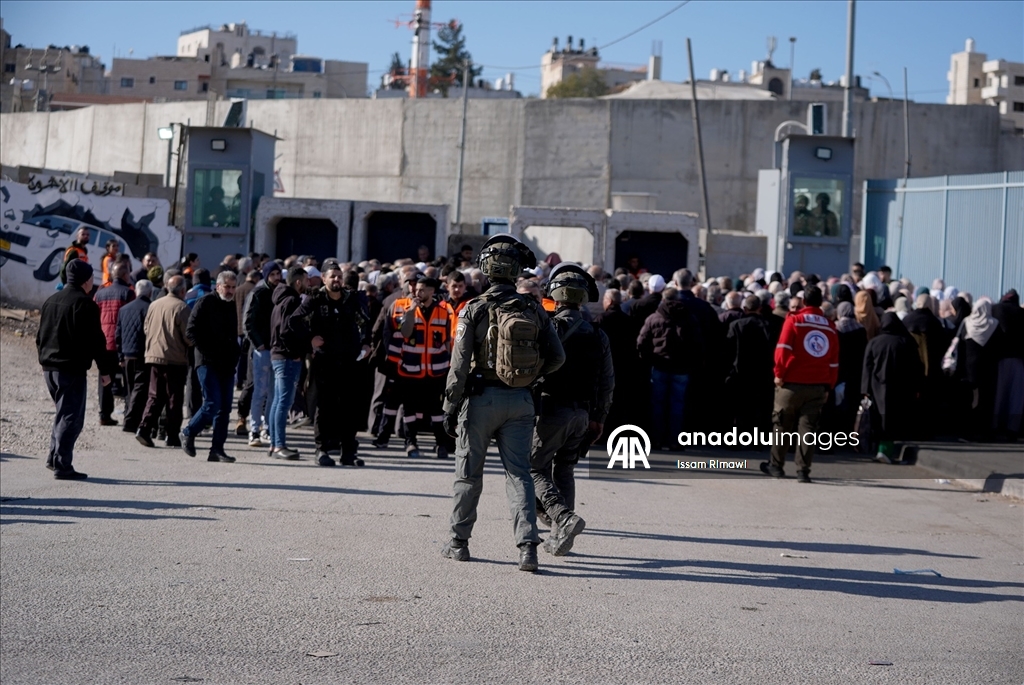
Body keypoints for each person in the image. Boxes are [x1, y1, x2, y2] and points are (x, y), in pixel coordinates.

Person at [441, 234, 565, 572]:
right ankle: (528, 548)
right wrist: (532, 378)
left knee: (468, 476)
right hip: (521, 402)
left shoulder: (474, 309)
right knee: (519, 476)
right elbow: (557, 357)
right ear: (515, 272)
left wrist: (450, 406)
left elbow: (459, 364)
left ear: (484, 270)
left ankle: (458, 542)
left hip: (480, 401)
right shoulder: (534, 308)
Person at [530, 263, 613, 556]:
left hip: (551, 410)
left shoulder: (548, 327)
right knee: (565, 468)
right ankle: (560, 536)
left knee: (534, 468)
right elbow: (606, 383)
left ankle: (563, 518)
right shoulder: (598, 335)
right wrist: (598, 419)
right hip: (582, 415)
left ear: (556, 294)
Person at [36, 259, 113, 479]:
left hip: (50, 367)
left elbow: (40, 336)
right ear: (86, 280)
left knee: (62, 413)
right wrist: (105, 370)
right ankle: (62, 465)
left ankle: (54, 458)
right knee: (71, 416)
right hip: (70, 368)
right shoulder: (85, 303)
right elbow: (96, 341)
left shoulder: (51, 300)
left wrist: (43, 360)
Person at [292, 263, 371, 466]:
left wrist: (366, 344)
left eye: (339, 276)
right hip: (325, 361)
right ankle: (322, 450)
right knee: (325, 407)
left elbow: (365, 323)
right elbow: (295, 320)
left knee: (349, 408)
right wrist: (310, 339)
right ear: (324, 279)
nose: (336, 280)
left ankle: (348, 452)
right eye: (332, 277)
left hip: (349, 359)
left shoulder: (351, 298)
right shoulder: (315, 299)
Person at [762, 286, 838, 483]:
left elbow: (783, 350)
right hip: (818, 385)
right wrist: (829, 384)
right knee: (808, 429)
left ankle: (776, 466)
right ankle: (803, 470)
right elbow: (833, 360)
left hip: (791, 384)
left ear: (804, 301)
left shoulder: (795, 320)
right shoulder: (830, 326)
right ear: (821, 302)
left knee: (781, 425)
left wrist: (779, 374)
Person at [374, 277, 457, 458]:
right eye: (415, 289)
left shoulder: (444, 311)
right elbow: (404, 333)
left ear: (431, 292)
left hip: (436, 369)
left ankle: (440, 444)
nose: (416, 293)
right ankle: (411, 443)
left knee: (437, 410)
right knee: (409, 409)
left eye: (421, 290)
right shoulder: (406, 308)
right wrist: (411, 312)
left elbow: (449, 339)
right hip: (411, 368)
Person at [180, 271, 241, 463]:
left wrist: (235, 353)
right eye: (227, 287)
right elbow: (191, 331)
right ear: (218, 286)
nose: (230, 291)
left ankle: (217, 450)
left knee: (224, 409)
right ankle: (189, 431)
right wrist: (208, 351)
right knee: (212, 403)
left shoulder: (231, 305)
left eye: (233, 287)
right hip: (207, 362)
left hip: (227, 364)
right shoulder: (205, 302)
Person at [637, 287, 704, 449]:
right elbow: (698, 344)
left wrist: (648, 359)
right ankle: (674, 440)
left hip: (659, 366)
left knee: (657, 405)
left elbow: (641, 342)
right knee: (677, 405)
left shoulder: (654, 318)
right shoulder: (689, 318)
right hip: (681, 368)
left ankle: (657, 439)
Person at [135, 275, 192, 448]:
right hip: (175, 359)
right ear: (182, 290)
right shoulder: (182, 307)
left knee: (155, 395)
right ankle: (172, 435)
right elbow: (189, 337)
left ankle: (144, 428)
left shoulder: (154, 304)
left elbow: (146, 328)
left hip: (153, 356)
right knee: (174, 398)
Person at [861, 312, 923, 463]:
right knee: (892, 422)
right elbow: (915, 368)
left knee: (879, 420)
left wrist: (865, 390)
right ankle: (885, 452)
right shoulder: (906, 342)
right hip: (900, 389)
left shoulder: (874, 342)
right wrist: (916, 387)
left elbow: (867, 368)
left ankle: (881, 451)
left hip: (876, 389)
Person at [267, 266, 308, 459]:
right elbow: (286, 330)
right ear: (298, 281)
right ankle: (279, 445)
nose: (308, 284)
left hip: (279, 355)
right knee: (284, 402)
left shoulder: (281, 299)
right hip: (286, 357)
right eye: (306, 280)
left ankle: (275, 443)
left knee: (278, 401)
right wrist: (295, 353)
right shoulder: (291, 300)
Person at [243, 261, 283, 447]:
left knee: (274, 393)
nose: (277, 277)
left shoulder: (280, 294)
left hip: (277, 350)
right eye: (273, 274)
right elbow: (248, 322)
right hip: (262, 350)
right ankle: (254, 430)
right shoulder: (258, 293)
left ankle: (267, 428)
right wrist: (259, 344)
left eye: (278, 274)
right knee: (260, 391)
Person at [725, 295, 774, 436]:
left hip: (739, 372)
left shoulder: (735, 325)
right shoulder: (767, 326)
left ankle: (735, 440)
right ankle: (756, 440)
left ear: (745, 308)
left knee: (738, 407)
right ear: (759, 309)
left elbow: (728, 350)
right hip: (761, 372)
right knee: (758, 407)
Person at [94, 261, 135, 425]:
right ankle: (128, 416)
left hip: (103, 343)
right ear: (125, 275)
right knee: (128, 381)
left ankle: (104, 415)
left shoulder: (100, 293)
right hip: (122, 344)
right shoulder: (129, 293)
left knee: (105, 380)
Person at [116, 280, 154, 434]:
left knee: (130, 387)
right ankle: (131, 420)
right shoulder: (150, 308)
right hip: (142, 354)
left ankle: (129, 415)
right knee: (140, 388)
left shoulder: (124, 309)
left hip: (127, 353)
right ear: (150, 293)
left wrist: (120, 356)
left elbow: (117, 334)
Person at [992, 290, 1024, 438]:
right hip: (1018, 358)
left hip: (1000, 357)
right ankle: (1012, 427)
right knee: (1016, 396)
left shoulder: (996, 309)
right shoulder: (1021, 312)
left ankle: (996, 424)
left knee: (1000, 394)